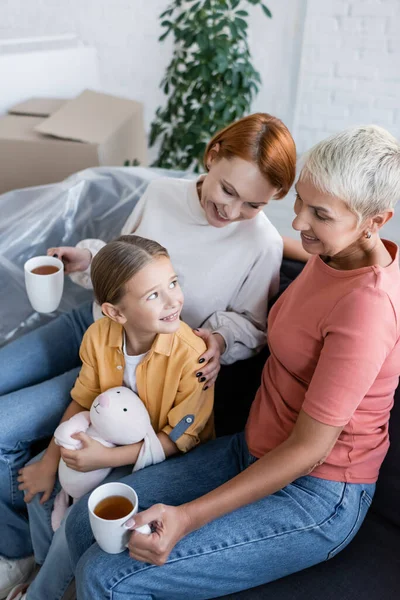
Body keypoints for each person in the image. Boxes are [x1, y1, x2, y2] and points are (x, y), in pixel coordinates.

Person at [64, 124, 400, 600]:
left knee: (109, 573)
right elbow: (288, 246)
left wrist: (189, 517)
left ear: (374, 220)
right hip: (254, 448)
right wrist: (263, 239)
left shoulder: (367, 310)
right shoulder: (333, 254)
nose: (300, 222)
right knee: (85, 519)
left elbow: (308, 450)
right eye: (299, 202)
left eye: (318, 214)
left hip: (316, 491)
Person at [0, 112, 296, 596]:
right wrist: (87, 259)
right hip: (99, 328)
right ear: (212, 155)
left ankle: (19, 559)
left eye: (253, 204)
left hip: (145, 364)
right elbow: (123, 256)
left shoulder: (260, 241)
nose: (233, 210)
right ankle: (15, 551)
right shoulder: (162, 194)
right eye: (227, 191)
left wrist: (218, 340)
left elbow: (252, 325)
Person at [6, 235, 214, 600]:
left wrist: (104, 459)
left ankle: (41, 593)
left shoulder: (190, 357)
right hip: (107, 436)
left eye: (173, 284)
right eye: (153, 295)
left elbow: (179, 440)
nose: (173, 300)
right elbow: (82, 398)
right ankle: (41, 567)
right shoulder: (99, 336)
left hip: (160, 454)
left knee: (80, 519)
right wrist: (50, 461)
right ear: (115, 312)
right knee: (38, 484)